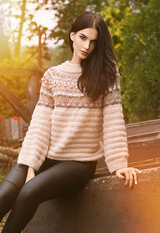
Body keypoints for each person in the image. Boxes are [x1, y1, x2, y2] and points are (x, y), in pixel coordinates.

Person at [0, 12, 141, 233]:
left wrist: (119, 164)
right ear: (72, 35)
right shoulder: (52, 76)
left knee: (29, 192)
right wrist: (30, 166)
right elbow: (40, 124)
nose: (87, 46)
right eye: (83, 37)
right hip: (46, 155)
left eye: (94, 42)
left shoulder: (107, 75)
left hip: (78, 163)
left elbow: (113, 120)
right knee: (5, 194)